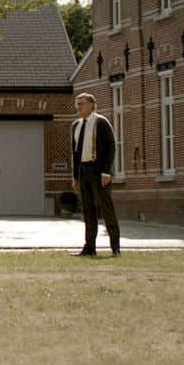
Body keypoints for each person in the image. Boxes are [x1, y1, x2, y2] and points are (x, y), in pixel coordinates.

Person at [71, 93, 120, 257]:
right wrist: (75, 176)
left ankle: (115, 247)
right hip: (83, 170)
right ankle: (89, 247)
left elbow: (111, 147)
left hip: (97, 169)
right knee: (88, 210)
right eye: (77, 104)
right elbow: (75, 153)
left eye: (82, 104)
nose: (78, 107)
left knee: (106, 209)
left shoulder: (100, 122)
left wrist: (106, 171)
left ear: (92, 105)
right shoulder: (76, 126)